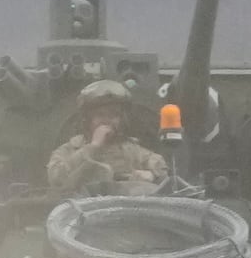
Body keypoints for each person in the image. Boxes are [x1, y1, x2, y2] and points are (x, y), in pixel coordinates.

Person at [40, 80, 168, 196]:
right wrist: (93, 147)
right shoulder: (69, 150)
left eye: (114, 115)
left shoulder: (132, 150)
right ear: (87, 120)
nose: (107, 120)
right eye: (100, 115)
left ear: (122, 120)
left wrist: (151, 175)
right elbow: (56, 179)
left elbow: (162, 170)